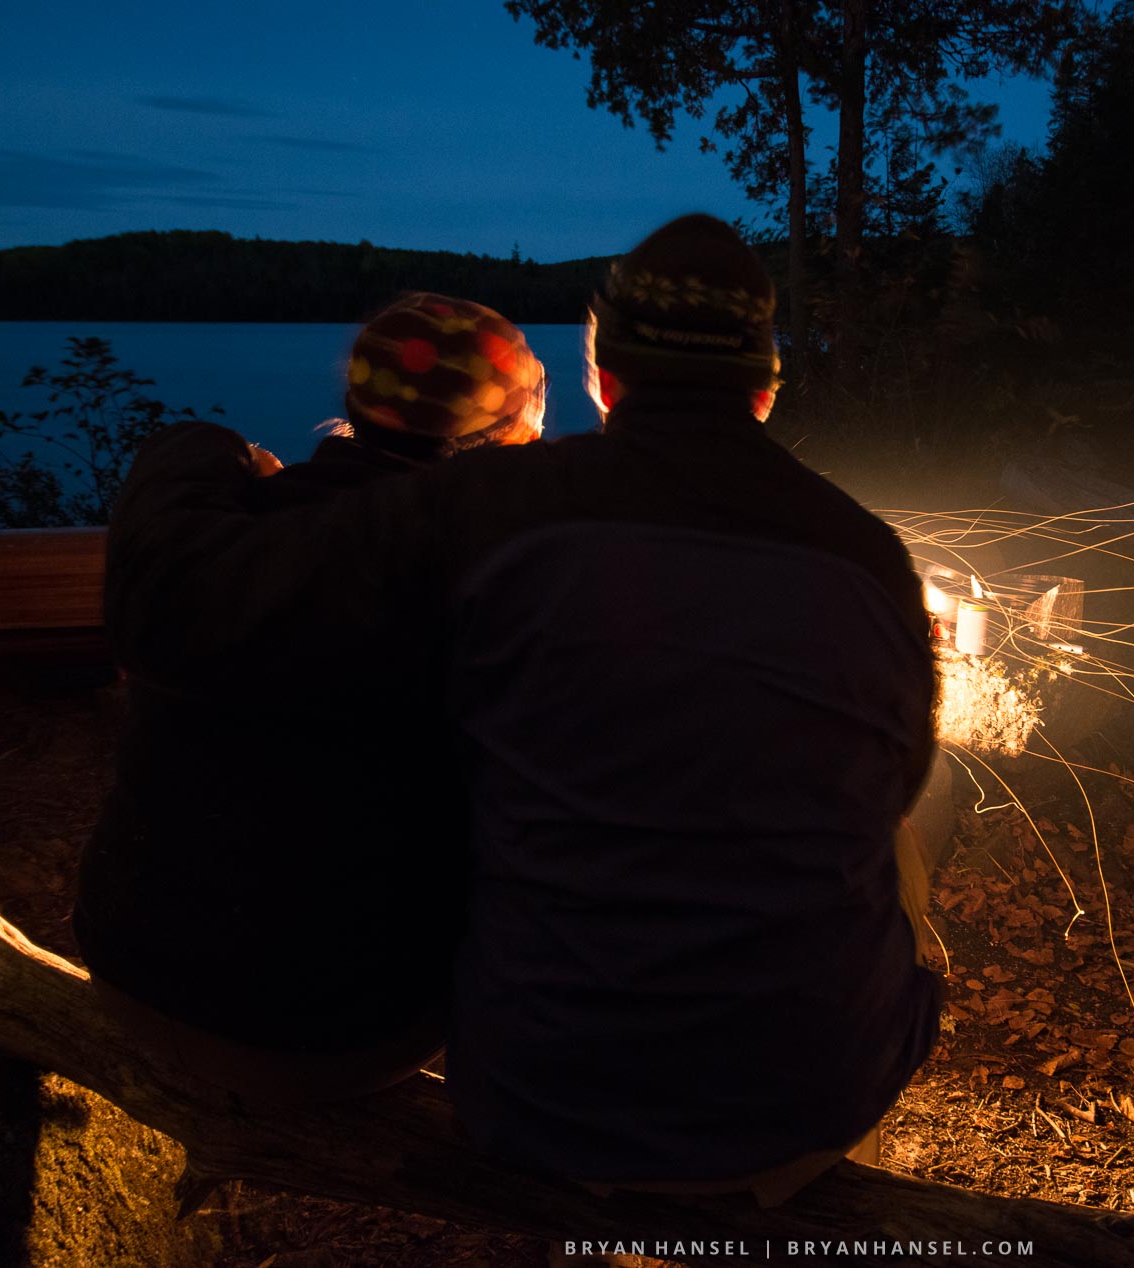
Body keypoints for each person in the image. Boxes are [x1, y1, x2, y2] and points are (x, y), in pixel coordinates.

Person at [101, 214, 940, 1191]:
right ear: (763, 389)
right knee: (897, 829)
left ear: (603, 378)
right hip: (806, 1105)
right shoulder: (869, 553)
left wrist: (203, 454)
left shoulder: (488, 506)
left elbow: (192, 600)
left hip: (532, 1095)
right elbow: (898, 777)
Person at [73, 293, 546, 1103]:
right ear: (511, 436)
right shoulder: (494, 595)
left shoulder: (217, 545)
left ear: (356, 405)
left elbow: (182, 452)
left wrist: (235, 459)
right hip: (340, 1033)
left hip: (133, 979)